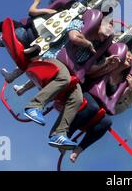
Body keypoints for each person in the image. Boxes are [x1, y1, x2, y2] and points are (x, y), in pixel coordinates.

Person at [23, 16, 118, 150]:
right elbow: (73, 37)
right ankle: (34, 106)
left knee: (78, 98)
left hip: (70, 72)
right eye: (111, 24)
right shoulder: (80, 23)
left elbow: (89, 69)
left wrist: (106, 63)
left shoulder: (97, 47)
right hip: (52, 60)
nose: (112, 29)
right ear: (101, 21)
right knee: (64, 78)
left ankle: (58, 134)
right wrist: (88, 43)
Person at [67, 46, 132, 162]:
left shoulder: (122, 79)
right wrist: (107, 65)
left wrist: (129, 87)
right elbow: (91, 73)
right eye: (128, 55)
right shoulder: (111, 63)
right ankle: (67, 134)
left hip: (99, 104)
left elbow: (118, 99)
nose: (130, 58)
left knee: (107, 122)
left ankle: (79, 149)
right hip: (87, 91)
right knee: (93, 107)